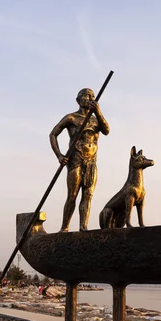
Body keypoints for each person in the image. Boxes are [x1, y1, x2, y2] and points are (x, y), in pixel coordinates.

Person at [49, 88, 110, 232]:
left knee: (88, 195)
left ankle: (83, 226)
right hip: (75, 160)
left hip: (91, 162)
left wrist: (98, 112)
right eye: (87, 96)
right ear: (78, 100)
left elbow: (106, 130)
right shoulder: (71, 118)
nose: (91, 98)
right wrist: (59, 155)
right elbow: (53, 134)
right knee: (72, 195)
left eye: (93, 96)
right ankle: (65, 227)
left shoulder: (96, 120)